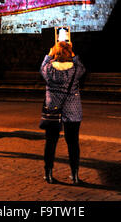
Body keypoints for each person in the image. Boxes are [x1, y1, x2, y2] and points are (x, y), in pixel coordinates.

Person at [40, 41, 86, 184]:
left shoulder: (48, 68)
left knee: (50, 143)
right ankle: (75, 175)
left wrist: (49, 54)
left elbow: (42, 66)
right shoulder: (75, 69)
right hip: (73, 111)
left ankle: (48, 174)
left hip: (53, 110)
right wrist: (72, 53)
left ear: (55, 53)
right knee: (73, 143)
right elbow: (82, 67)